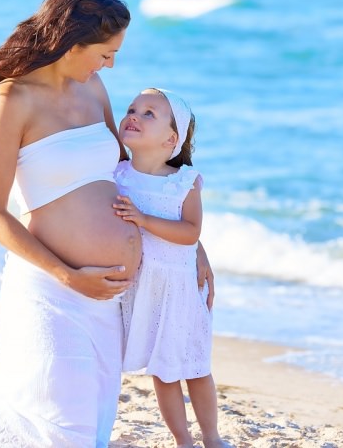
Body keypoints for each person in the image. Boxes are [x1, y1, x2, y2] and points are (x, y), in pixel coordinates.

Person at [0, 0, 213, 448]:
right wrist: (66, 275)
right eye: (105, 53)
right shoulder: (11, 99)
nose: (111, 65)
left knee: (84, 435)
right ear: (72, 43)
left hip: (104, 299)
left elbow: (130, 174)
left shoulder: (93, 87)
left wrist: (192, 244)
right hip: (50, 286)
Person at [112, 88, 223, 448]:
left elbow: (191, 232)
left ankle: (211, 437)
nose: (134, 115)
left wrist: (143, 219)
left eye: (149, 114)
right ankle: (183, 441)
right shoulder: (117, 174)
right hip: (145, 287)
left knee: (196, 368)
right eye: (131, 109)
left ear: (171, 140)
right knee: (163, 372)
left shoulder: (183, 182)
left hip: (180, 288)